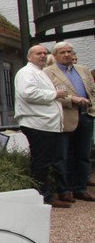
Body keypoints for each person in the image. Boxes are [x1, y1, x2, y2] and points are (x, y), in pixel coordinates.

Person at [15, 45, 71, 208]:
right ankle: (43, 196)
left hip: (45, 124)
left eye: (45, 53)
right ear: (29, 57)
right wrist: (54, 94)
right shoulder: (26, 73)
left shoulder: (39, 72)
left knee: (44, 161)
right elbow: (28, 93)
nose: (42, 56)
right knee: (41, 162)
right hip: (37, 124)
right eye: (38, 53)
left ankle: (44, 194)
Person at [45, 42, 95, 201]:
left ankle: (80, 188)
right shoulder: (48, 73)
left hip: (85, 115)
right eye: (62, 52)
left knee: (83, 154)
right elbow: (49, 94)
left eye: (69, 51)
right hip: (64, 116)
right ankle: (65, 190)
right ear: (55, 55)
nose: (67, 55)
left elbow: (92, 90)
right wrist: (72, 100)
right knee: (64, 155)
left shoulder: (83, 69)